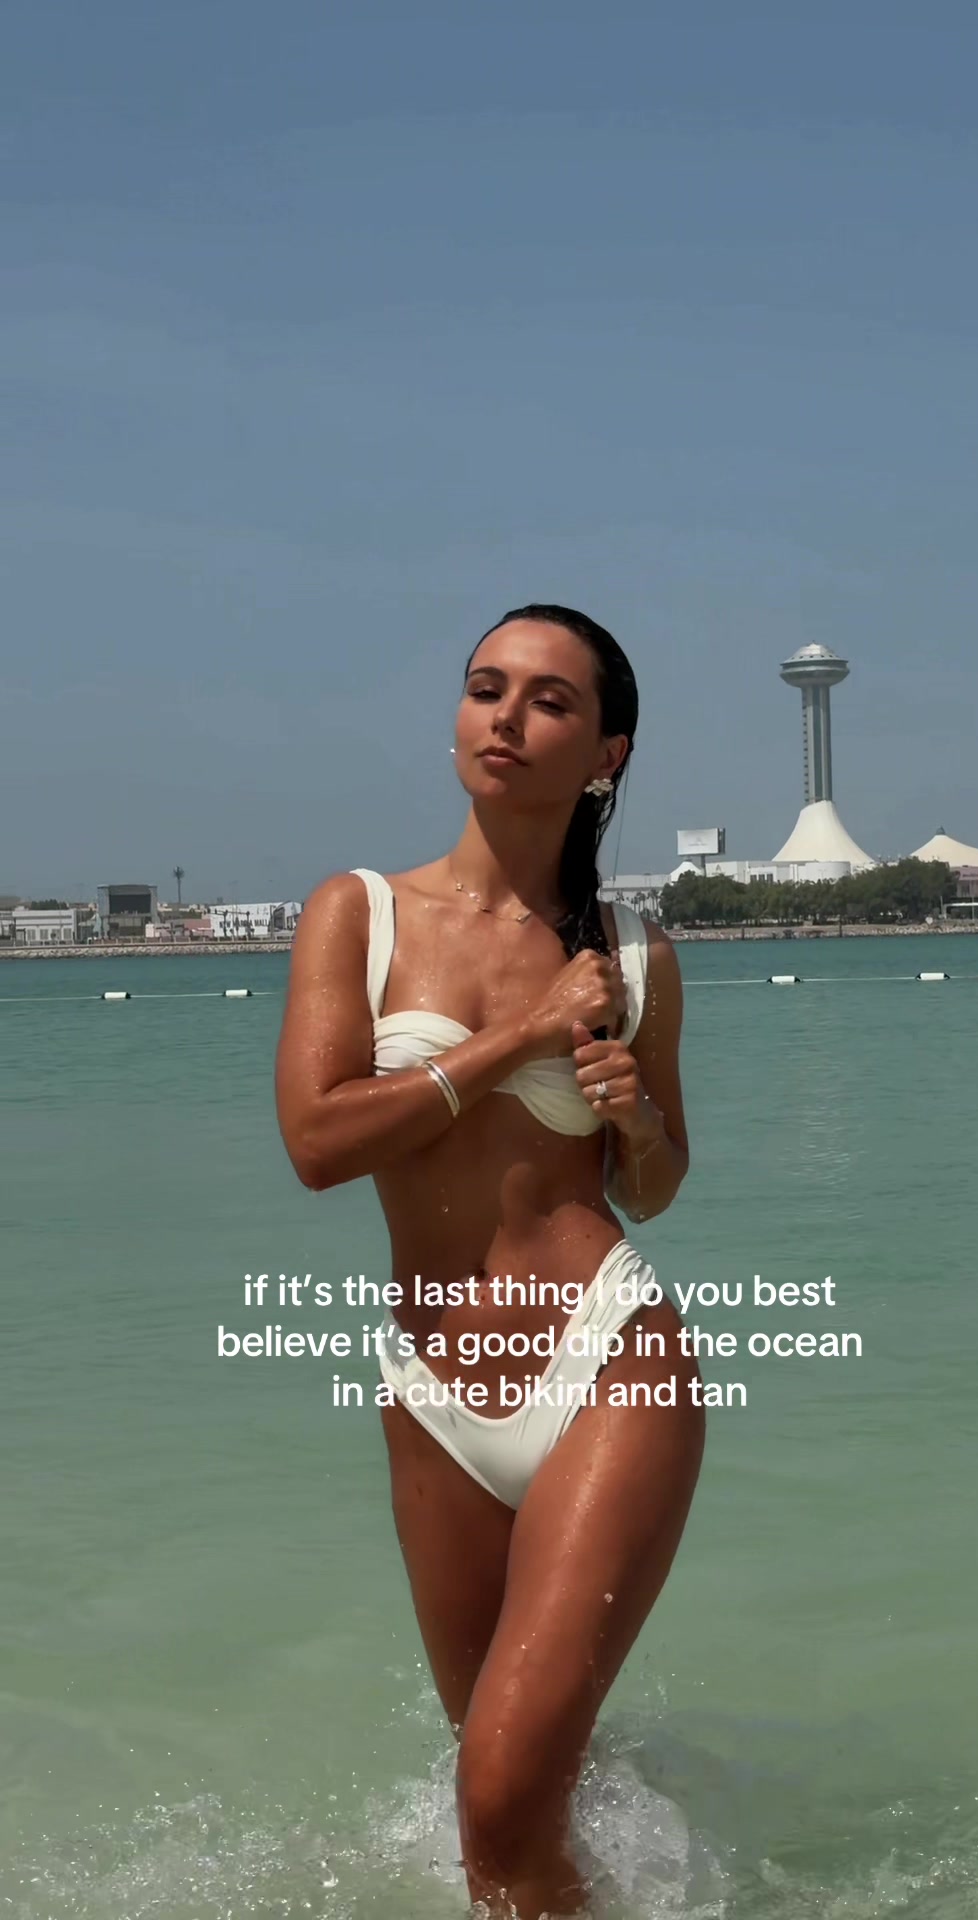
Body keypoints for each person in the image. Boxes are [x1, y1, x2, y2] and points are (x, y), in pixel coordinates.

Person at [275, 604, 704, 1918]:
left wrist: (636, 1119)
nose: (505, 717)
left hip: (605, 1363)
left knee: (505, 1802)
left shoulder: (635, 956)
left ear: (607, 756)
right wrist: (519, 1037)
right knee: (499, 1802)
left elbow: (654, 1187)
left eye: (549, 700)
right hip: (433, 1399)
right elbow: (317, 1142)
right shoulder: (359, 913)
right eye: (484, 687)